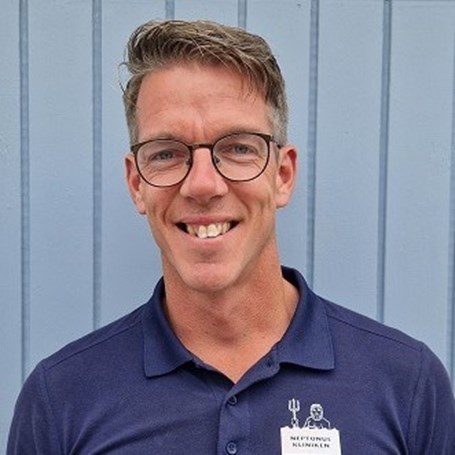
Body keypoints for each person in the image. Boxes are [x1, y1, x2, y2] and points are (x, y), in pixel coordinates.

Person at [7, 19, 455, 454]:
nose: (202, 185)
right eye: (166, 153)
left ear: (283, 175)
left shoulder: (407, 384)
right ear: (136, 183)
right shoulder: (60, 399)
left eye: (238, 148)